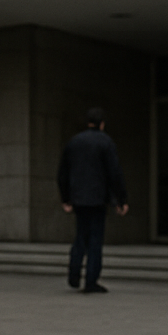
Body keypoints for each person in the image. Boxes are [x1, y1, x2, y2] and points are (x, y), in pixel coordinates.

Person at [57, 108, 129, 293]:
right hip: (97, 198)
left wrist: (66, 198)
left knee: (80, 236)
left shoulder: (74, 142)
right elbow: (115, 173)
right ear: (102, 124)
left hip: (79, 198)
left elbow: (63, 172)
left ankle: (74, 274)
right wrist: (121, 199)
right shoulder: (105, 142)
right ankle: (91, 280)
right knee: (95, 240)